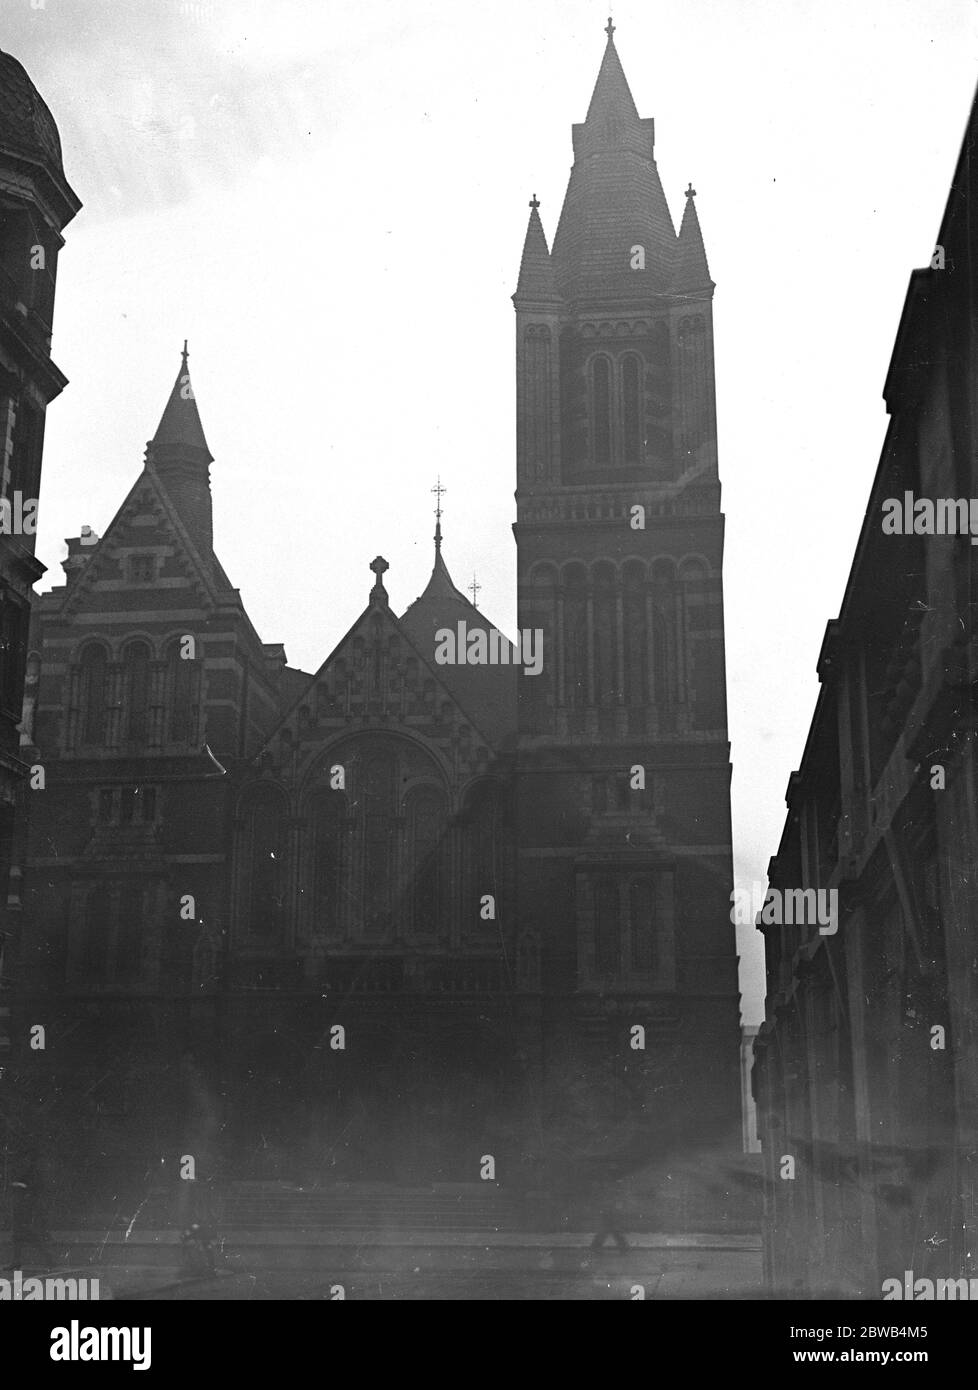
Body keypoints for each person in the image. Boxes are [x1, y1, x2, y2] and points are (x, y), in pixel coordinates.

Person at [9, 1149, 57, 1269]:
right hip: (24, 1204)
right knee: (19, 1234)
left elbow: (32, 1187)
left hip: (27, 1205)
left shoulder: (32, 1171)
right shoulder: (30, 1170)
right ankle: (17, 1261)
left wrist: (18, 1185)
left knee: (27, 1234)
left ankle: (48, 1258)